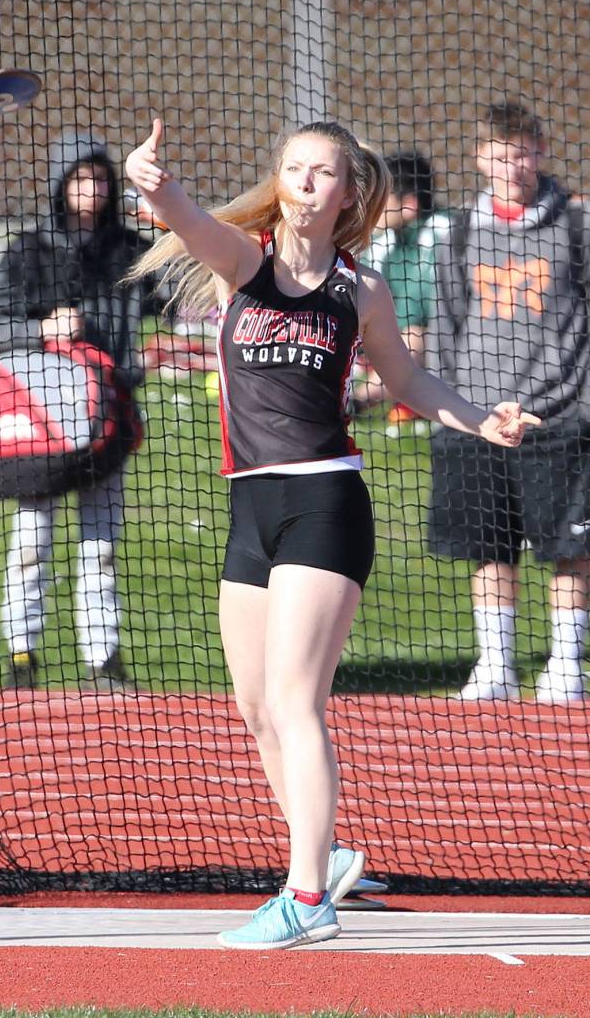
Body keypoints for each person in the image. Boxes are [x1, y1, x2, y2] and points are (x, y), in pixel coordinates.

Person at [124, 116, 538, 949]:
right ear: (277, 183)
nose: (305, 184)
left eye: (322, 173)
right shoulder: (245, 264)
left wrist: (476, 419)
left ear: (348, 192)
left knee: (294, 699)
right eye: (292, 170)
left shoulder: (361, 290)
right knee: (255, 708)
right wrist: (155, 183)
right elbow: (194, 222)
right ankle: (324, 850)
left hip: (324, 501)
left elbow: (407, 376)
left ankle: (306, 896)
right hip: (249, 505)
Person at [424, 101, 590, 704]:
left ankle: (565, 666)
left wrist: (583, 406)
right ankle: (496, 666)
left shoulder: (576, 226)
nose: (511, 165)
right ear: (479, 158)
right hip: (478, 420)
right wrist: (450, 406)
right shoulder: (462, 231)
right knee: (489, 547)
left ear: (540, 154)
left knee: (569, 548)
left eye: (521, 152)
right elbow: (444, 325)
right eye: (499, 153)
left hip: (558, 414)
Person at [0, 131, 151, 692]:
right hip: (43, 418)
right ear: (61, 184)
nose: (93, 188)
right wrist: (40, 329)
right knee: (32, 538)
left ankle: (104, 659)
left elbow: (179, 299)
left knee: (100, 545)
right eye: (81, 177)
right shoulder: (28, 252)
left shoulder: (129, 252)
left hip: (108, 416)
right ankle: (22, 656)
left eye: (101, 178)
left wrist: (182, 229)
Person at [354, 151, 451, 428]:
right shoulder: (384, 240)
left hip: (452, 342)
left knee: (412, 337)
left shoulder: (443, 234)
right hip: (405, 340)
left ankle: (356, 402)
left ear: (408, 205)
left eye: (381, 198)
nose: (371, 205)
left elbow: (419, 316)